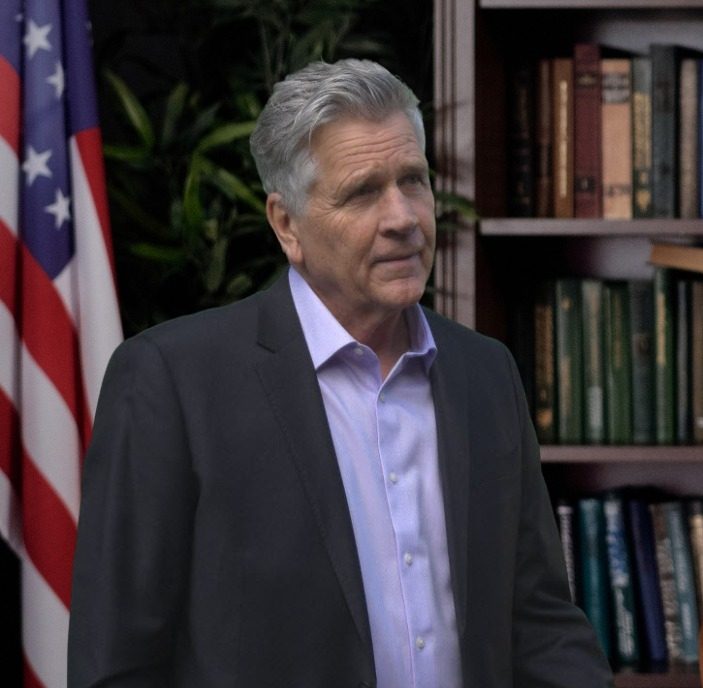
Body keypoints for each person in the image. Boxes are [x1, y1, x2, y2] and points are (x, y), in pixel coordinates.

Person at [68, 59, 613, 687]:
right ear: (286, 224)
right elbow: (117, 664)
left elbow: (539, 623)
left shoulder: (485, 372)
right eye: (363, 192)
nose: (403, 217)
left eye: (414, 181)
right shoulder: (173, 381)